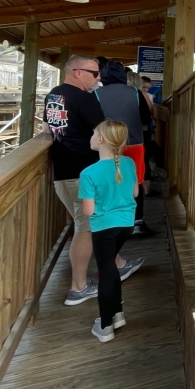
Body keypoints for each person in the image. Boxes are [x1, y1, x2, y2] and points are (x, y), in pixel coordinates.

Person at [44, 54, 131, 306]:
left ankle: (116, 264)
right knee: (85, 227)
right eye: (94, 74)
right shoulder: (84, 98)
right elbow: (104, 134)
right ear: (77, 72)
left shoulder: (53, 96)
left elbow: (47, 130)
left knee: (90, 223)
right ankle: (78, 288)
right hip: (85, 171)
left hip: (63, 172)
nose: (99, 78)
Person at [79, 120, 138, 343]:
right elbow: (134, 193)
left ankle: (105, 326)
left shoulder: (88, 173)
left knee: (105, 271)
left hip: (103, 227)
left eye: (94, 133)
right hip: (126, 224)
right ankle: (118, 313)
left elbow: (89, 209)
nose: (92, 137)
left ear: (101, 139)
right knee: (111, 266)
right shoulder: (130, 163)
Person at [94, 60, 154, 244]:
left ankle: (111, 222)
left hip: (107, 145)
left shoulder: (95, 93)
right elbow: (145, 117)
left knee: (109, 182)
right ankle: (137, 222)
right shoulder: (135, 92)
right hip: (134, 142)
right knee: (135, 180)